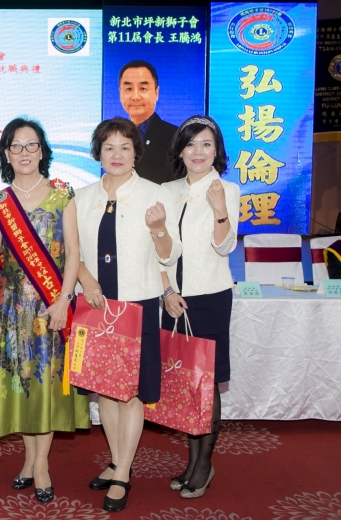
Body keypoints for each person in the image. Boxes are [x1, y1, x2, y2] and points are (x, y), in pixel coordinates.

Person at [0, 118, 89, 505]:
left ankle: (41, 466)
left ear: (43, 150)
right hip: (13, 310)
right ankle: (29, 460)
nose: (24, 152)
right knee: (24, 385)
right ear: (6, 154)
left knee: (46, 386)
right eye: (16, 146)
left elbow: (74, 252)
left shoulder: (61, 193)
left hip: (51, 305)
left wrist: (64, 300)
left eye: (32, 145)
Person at [75, 117, 180, 512]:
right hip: (96, 304)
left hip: (137, 302)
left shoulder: (155, 194)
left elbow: (169, 254)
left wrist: (159, 228)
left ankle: (121, 472)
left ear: (136, 153)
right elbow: (72, 252)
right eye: (109, 147)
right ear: (98, 153)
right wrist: (87, 280)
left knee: (131, 391)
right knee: (106, 389)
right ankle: (118, 461)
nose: (116, 154)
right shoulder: (81, 197)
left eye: (125, 147)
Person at [160, 116, 239, 499]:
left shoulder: (227, 189)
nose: (198, 151)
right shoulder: (167, 190)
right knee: (184, 383)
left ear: (216, 150)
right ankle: (192, 462)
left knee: (206, 384)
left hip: (210, 297)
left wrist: (220, 208)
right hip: (174, 300)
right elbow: (158, 248)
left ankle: (204, 464)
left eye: (206, 144)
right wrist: (166, 291)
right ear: (180, 151)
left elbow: (225, 246)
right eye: (190, 144)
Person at [119, 60, 178, 185]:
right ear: (120, 93)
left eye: (143, 88)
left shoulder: (176, 138)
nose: (135, 96)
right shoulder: (114, 137)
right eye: (128, 89)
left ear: (156, 93)